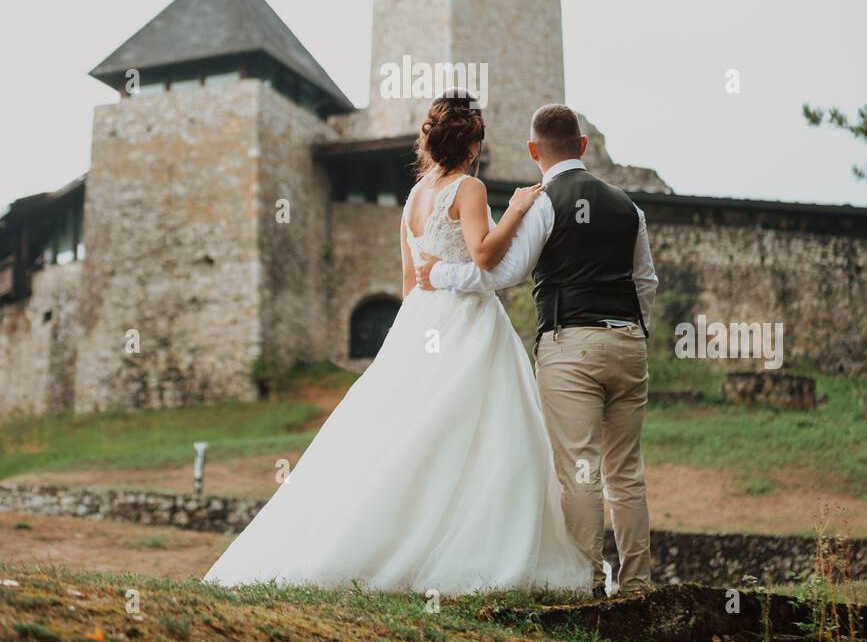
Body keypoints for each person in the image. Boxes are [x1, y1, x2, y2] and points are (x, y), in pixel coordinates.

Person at [202, 91, 592, 597]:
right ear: (473, 145)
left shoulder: (413, 197)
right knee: (475, 431)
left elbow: (411, 280)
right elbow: (484, 258)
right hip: (464, 320)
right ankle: (463, 544)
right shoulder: (469, 188)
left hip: (419, 321)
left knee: (406, 429)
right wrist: (517, 210)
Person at [417, 103, 657, 597]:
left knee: (580, 469)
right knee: (627, 473)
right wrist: (632, 330)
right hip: (630, 343)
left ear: (533, 151)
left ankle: (587, 584)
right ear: (583, 146)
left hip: (571, 345)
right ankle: (637, 587)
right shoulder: (629, 207)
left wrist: (438, 273)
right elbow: (645, 281)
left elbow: (503, 274)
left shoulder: (546, 202)